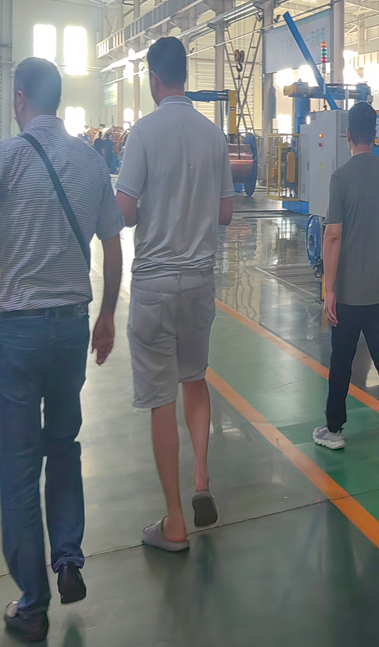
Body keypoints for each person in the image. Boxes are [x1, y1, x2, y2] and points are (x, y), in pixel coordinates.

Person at [0, 57, 124, 643]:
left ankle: (33, 605)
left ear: (19, 100)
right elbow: (113, 243)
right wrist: (107, 315)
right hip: (72, 327)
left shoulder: (7, 156)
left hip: (19, 333)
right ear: (57, 100)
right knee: (63, 444)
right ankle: (69, 557)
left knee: (18, 465)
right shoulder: (90, 160)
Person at [115, 36, 234, 552]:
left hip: (155, 284)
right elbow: (226, 212)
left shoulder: (143, 133)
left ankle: (174, 523)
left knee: (161, 397)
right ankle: (202, 479)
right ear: (185, 75)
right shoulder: (213, 135)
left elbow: (124, 211)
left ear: (154, 79)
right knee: (194, 378)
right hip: (200, 281)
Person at [313, 101, 379, 469]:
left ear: (348, 135)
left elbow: (333, 236)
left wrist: (329, 289)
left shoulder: (340, 177)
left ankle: (333, 429)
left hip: (347, 292)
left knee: (341, 359)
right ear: (375, 134)